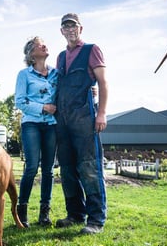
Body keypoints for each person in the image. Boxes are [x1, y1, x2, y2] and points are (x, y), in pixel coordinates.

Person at [54, 13, 109, 235]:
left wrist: (102, 113)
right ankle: (75, 214)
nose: (70, 30)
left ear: (80, 28)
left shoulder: (91, 49)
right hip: (63, 120)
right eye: (66, 26)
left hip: (85, 118)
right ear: (61, 31)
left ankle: (96, 220)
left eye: (73, 26)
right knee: (67, 169)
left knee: (89, 167)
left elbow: (103, 83)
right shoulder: (59, 57)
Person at [14, 36, 58, 227]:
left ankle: (44, 215)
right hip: (31, 124)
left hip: (52, 126)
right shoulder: (24, 75)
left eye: (44, 43)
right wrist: (43, 108)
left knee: (48, 170)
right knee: (32, 167)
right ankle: (21, 212)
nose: (44, 45)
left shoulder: (57, 74)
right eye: (39, 44)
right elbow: (20, 102)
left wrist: (91, 90)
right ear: (31, 54)